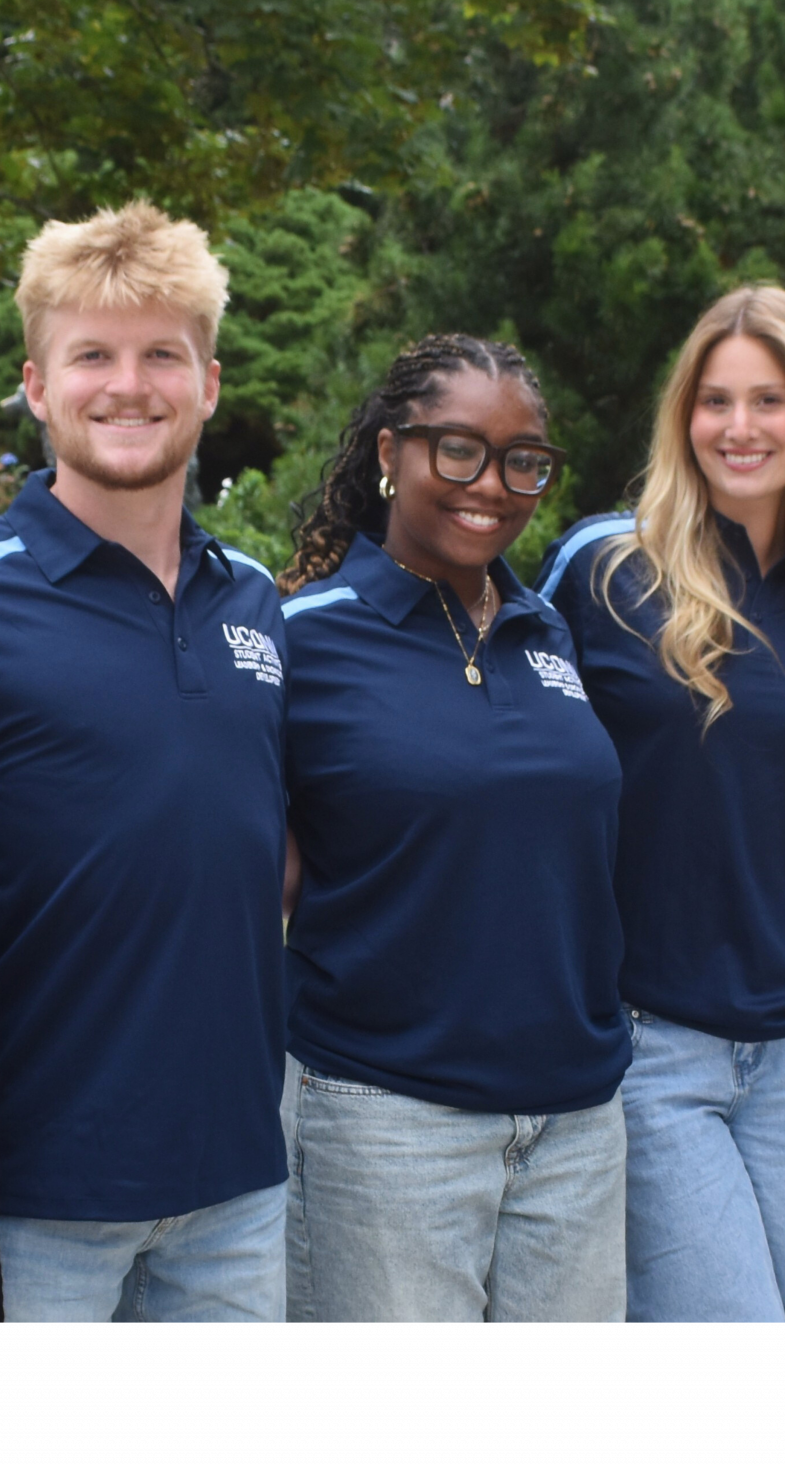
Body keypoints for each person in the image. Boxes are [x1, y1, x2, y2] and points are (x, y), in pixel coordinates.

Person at [0, 203, 290, 1322]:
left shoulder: (254, 600)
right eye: (92, 355)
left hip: (239, 1181)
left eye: (164, 354)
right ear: (37, 383)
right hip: (41, 1181)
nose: (129, 385)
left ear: (208, 383)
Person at [539, 287, 785, 1322]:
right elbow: (516, 769)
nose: (739, 428)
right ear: (681, 416)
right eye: (714, 401)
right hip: (656, 1040)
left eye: (769, 400)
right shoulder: (604, 568)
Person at [275, 334, 629, 1322]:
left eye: (523, 461)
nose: (492, 485)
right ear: (389, 454)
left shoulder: (547, 631)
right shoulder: (297, 638)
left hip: (577, 1115)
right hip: (386, 1119)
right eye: (457, 450)